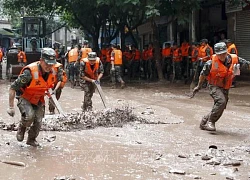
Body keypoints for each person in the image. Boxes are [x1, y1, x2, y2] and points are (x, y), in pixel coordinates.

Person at [7, 48, 57, 146]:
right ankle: (22, 127)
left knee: (38, 121)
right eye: (47, 63)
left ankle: (31, 139)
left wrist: (51, 94)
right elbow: (13, 87)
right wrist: (11, 107)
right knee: (29, 116)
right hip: (25, 97)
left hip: (38, 98)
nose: (49, 66)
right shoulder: (29, 73)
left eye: (51, 64)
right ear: (41, 60)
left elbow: (49, 86)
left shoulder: (52, 71)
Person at [191, 42, 239, 131]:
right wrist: (198, 86)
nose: (222, 56)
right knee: (221, 101)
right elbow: (203, 75)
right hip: (214, 85)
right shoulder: (210, 63)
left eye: (224, 53)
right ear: (216, 54)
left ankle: (204, 121)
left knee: (221, 106)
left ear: (226, 52)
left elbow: (246, 64)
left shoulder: (234, 59)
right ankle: (211, 122)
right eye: (219, 54)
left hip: (225, 86)